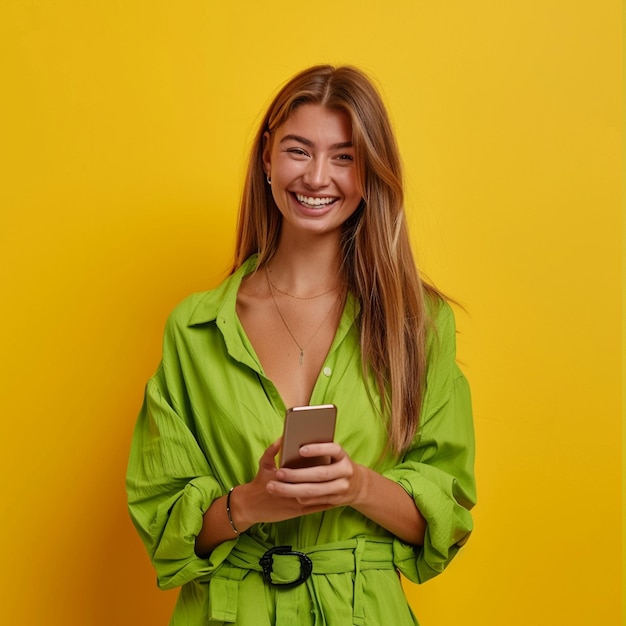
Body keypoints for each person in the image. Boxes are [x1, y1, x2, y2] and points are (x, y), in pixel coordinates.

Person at [126, 64, 476, 626]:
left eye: (344, 156)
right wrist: (250, 503)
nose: (318, 177)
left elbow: (444, 518)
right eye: (298, 150)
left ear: (370, 174)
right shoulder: (194, 329)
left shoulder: (418, 324)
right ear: (267, 156)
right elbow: (163, 521)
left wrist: (358, 485)